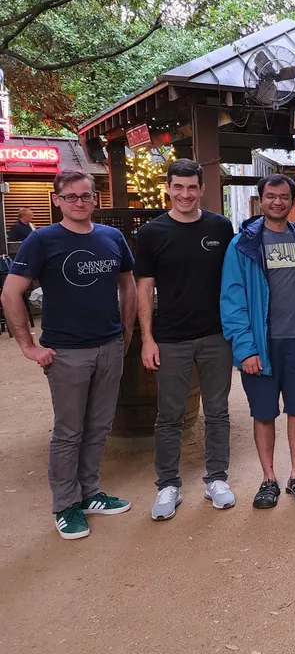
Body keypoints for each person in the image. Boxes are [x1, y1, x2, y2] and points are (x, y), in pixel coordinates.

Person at [1, 170, 136, 540]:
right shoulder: (41, 241)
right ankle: (65, 504)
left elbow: (128, 283)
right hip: (66, 352)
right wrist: (28, 345)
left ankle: (89, 493)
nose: (80, 202)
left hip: (109, 346)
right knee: (69, 431)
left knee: (99, 426)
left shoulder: (112, 237)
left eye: (86, 196)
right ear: (57, 200)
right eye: (72, 196)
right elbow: (11, 294)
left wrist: (126, 331)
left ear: (95, 199)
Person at [135, 159, 237, 520]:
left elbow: (236, 277)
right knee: (169, 415)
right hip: (171, 338)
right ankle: (168, 485)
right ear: (167, 188)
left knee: (218, 411)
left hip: (216, 335)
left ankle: (217, 479)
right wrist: (147, 338)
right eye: (178, 187)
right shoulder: (151, 234)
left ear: (202, 189)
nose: (185, 194)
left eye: (192, 187)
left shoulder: (221, 227)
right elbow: (144, 289)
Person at [220, 174, 295, 509]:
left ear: (292, 202)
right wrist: (245, 347)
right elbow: (232, 299)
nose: (277, 202)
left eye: (283, 197)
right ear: (260, 200)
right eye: (270, 196)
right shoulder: (243, 244)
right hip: (262, 344)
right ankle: (268, 479)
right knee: (264, 413)